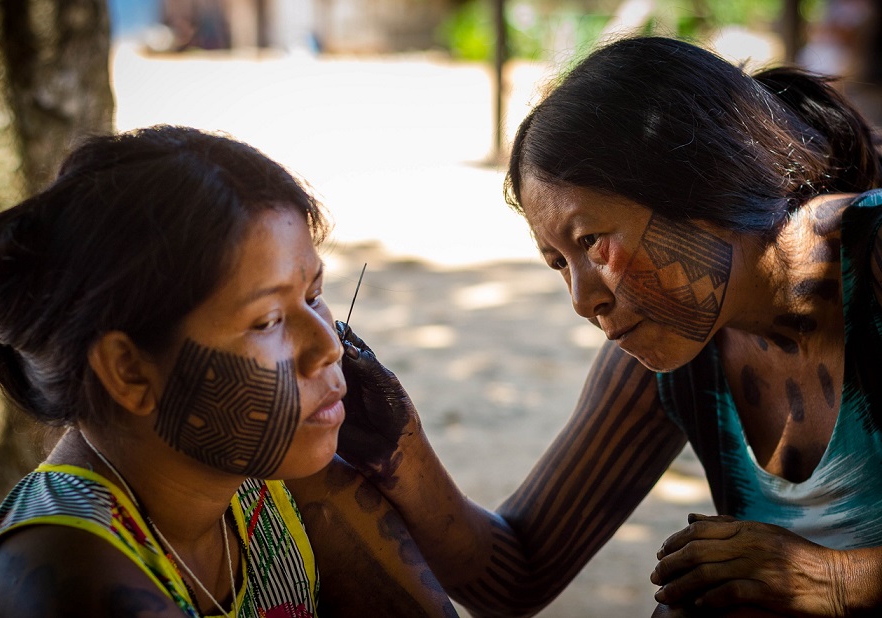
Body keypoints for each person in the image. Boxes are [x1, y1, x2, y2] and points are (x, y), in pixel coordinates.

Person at [333, 36, 882, 617]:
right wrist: (402, 450)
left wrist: (835, 580)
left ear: (705, 178)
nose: (581, 298)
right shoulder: (672, 347)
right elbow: (517, 573)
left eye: (592, 242)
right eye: (557, 264)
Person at [0, 125, 457, 617]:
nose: (328, 346)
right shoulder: (69, 578)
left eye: (314, 296)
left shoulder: (268, 480)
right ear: (128, 370)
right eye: (267, 321)